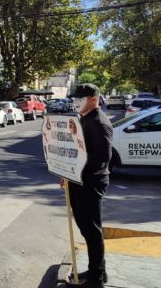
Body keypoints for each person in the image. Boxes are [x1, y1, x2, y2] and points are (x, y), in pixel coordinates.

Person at [64, 83, 112, 288]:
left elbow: (101, 157)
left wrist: (74, 169)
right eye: (74, 99)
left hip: (90, 182)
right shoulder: (86, 119)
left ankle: (96, 279)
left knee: (92, 231)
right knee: (87, 230)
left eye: (80, 99)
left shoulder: (99, 123)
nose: (76, 102)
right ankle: (97, 270)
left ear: (94, 99)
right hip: (80, 180)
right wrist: (67, 172)